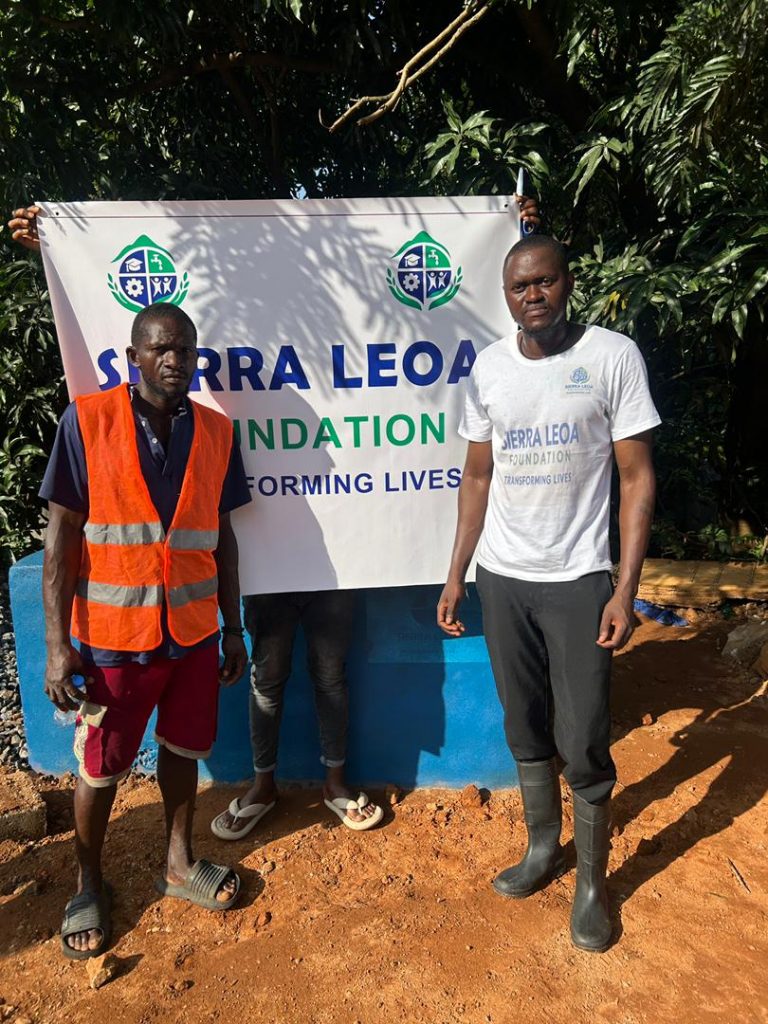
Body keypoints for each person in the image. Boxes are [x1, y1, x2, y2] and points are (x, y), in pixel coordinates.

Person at [207, 194, 543, 840]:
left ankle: (336, 784)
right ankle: (262, 786)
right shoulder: (253, 349)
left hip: (342, 557)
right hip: (272, 561)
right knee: (267, 678)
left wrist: (515, 228)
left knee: (332, 677)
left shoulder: (351, 345)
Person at [437, 234, 659, 953]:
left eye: (544, 281)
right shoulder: (490, 370)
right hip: (504, 579)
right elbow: (476, 478)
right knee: (524, 725)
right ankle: (542, 849)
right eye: (518, 286)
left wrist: (625, 589)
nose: (532, 295)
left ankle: (593, 886)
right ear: (506, 295)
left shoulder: (611, 358)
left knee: (585, 735)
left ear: (568, 282)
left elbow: (635, 480)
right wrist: (457, 571)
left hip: (578, 580)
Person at [39, 300, 251, 960]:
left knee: (185, 750)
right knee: (101, 767)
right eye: (160, 348)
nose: (174, 359)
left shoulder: (216, 432)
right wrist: (55, 646)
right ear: (133, 359)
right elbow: (60, 540)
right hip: (111, 642)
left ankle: (179, 862)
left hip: (191, 635)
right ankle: (87, 880)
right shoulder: (88, 421)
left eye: (184, 349)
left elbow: (224, 540)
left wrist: (233, 627)